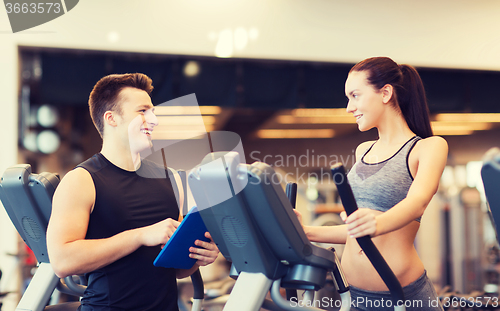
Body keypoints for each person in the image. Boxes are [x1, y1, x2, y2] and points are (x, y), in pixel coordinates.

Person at [47, 73, 219, 311]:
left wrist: (197, 256)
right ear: (112, 118)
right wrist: (139, 236)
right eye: (142, 111)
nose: (154, 120)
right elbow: (62, 261)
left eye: (153, 112)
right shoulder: (82, 180)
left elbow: (177, 270)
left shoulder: (168, 179)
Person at [298, 57, 448, 311]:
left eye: (355, 95)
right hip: (354, 296)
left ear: (386, 93)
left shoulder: (428, 147)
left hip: (404, 297)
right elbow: (359, 233)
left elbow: (417, 203)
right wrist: (305, 231)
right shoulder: (363, 151)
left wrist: (377, 222)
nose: (349, 107)